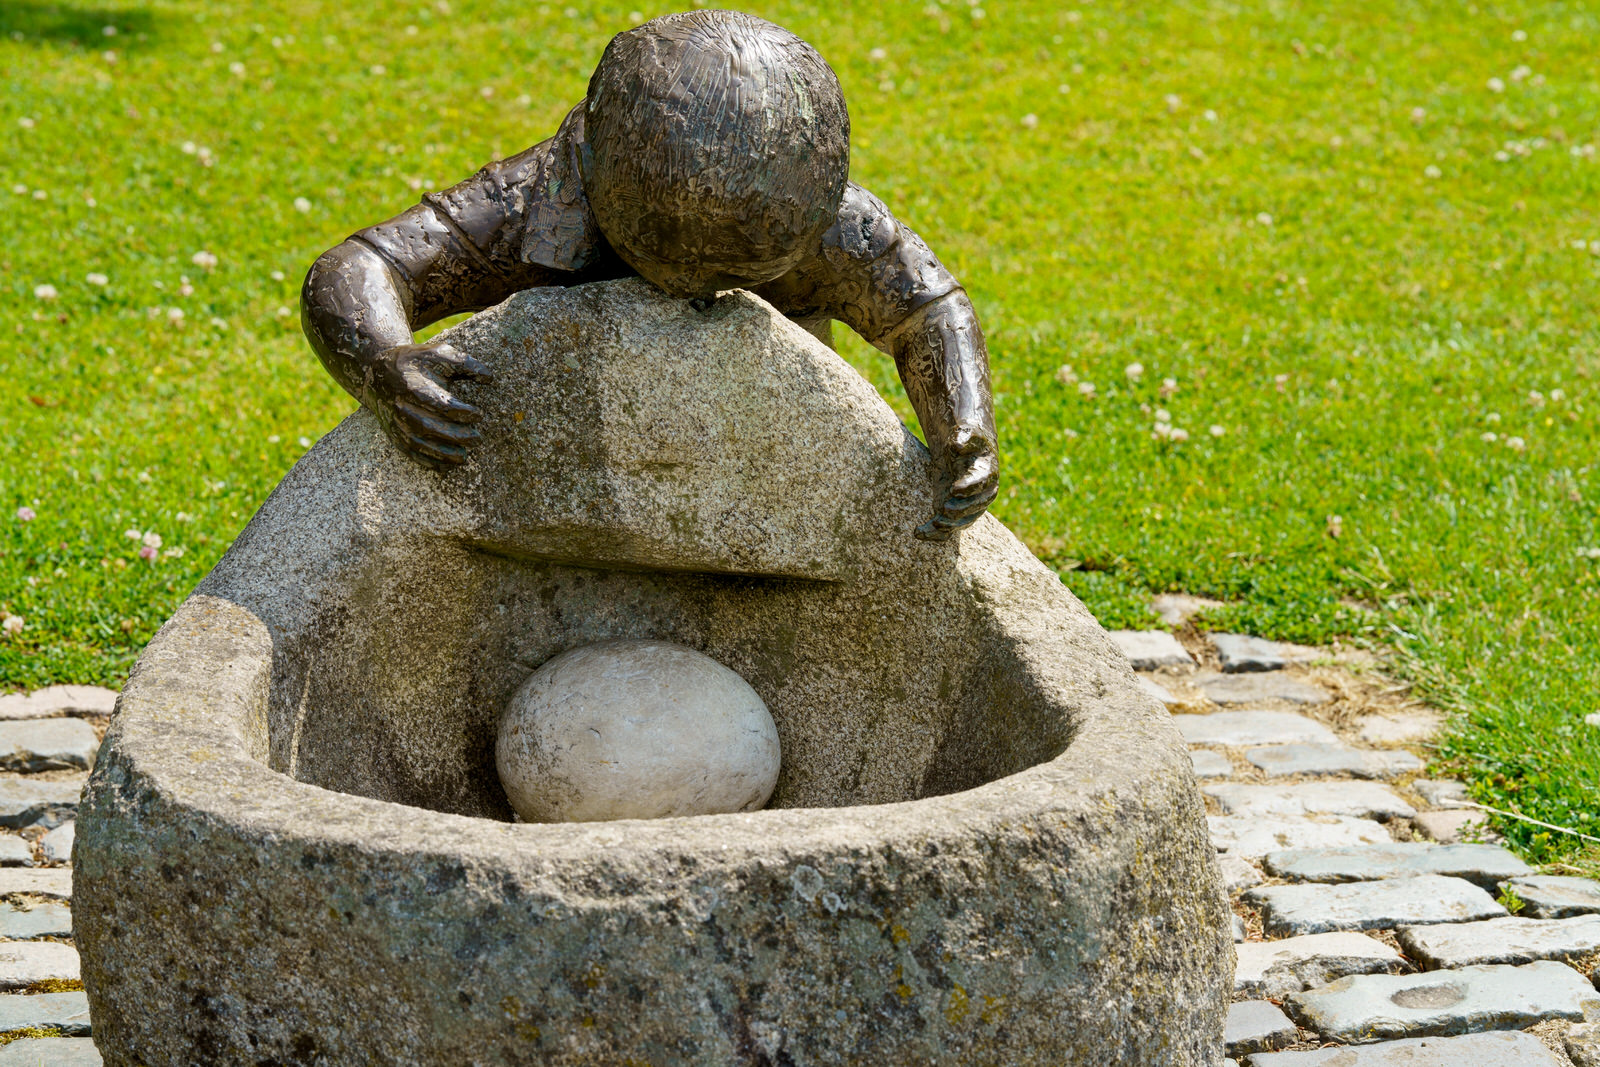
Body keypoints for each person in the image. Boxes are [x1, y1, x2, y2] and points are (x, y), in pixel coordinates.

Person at [301, 10, 997, 540]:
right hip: (559, 480)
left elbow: (925, 312)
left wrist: (962, 424)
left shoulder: (823, 215)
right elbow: (366, 267)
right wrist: (383, 361)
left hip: (760, 477)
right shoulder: (541, 192)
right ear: (596, 172)